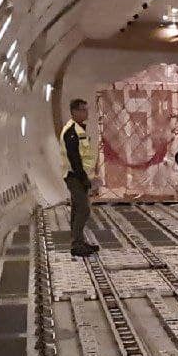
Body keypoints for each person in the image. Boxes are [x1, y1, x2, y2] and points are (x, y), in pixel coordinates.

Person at [60, 99, 99, 257]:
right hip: (74, 176)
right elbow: (74, 158)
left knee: (77, 209)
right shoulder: (71, 132)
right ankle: (76, 244)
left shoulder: (78, 129)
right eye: (83, 110)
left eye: (86, 109)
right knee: (83, 209)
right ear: (74, 112)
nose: (86, 113)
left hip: (78, 175)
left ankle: (79, 241)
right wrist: (83, 178)